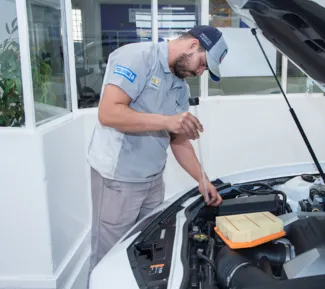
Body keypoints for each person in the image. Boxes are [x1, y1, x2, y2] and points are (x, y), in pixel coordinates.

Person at [86, 25, 229, 273]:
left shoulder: (180, 87)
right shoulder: (138, 57)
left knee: (144, 252)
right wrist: (167, 121)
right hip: (118, 181)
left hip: (153, 182)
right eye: (204, 64)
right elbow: (108, 112)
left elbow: (178, 140)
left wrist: (202, 180)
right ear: (193, 45)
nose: (201, 72)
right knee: (108, 260)